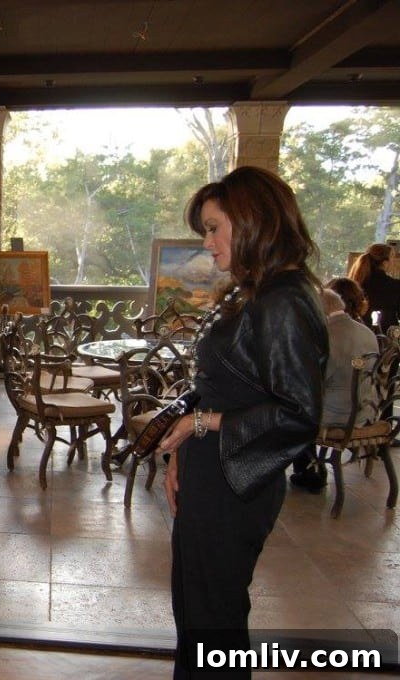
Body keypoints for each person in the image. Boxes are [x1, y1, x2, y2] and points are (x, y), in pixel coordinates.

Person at [158, 166, 328, 678]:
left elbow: (299, 414)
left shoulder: (283, 300)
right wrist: (181, 448)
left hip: (233, 487)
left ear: (252, 220)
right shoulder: (262, 291)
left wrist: (200, 424)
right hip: (213, 476)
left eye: (213, 227)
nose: (208, 243)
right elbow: (229, 384)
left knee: (214, 625)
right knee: (198, 616)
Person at [289, 287, 379, 492]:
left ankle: (309, 474)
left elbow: (312, 383)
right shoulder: (366, 331)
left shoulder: (326, 336)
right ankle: (310, 468)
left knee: (289, 409)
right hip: (366, 409)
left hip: (338, 416)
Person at [347, 243, 400, 330]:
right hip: (385, 334)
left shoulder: (355, 282)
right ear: (385, 263)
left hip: (356, 331)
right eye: (392, 258)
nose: (393, 262)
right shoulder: (395, 285)